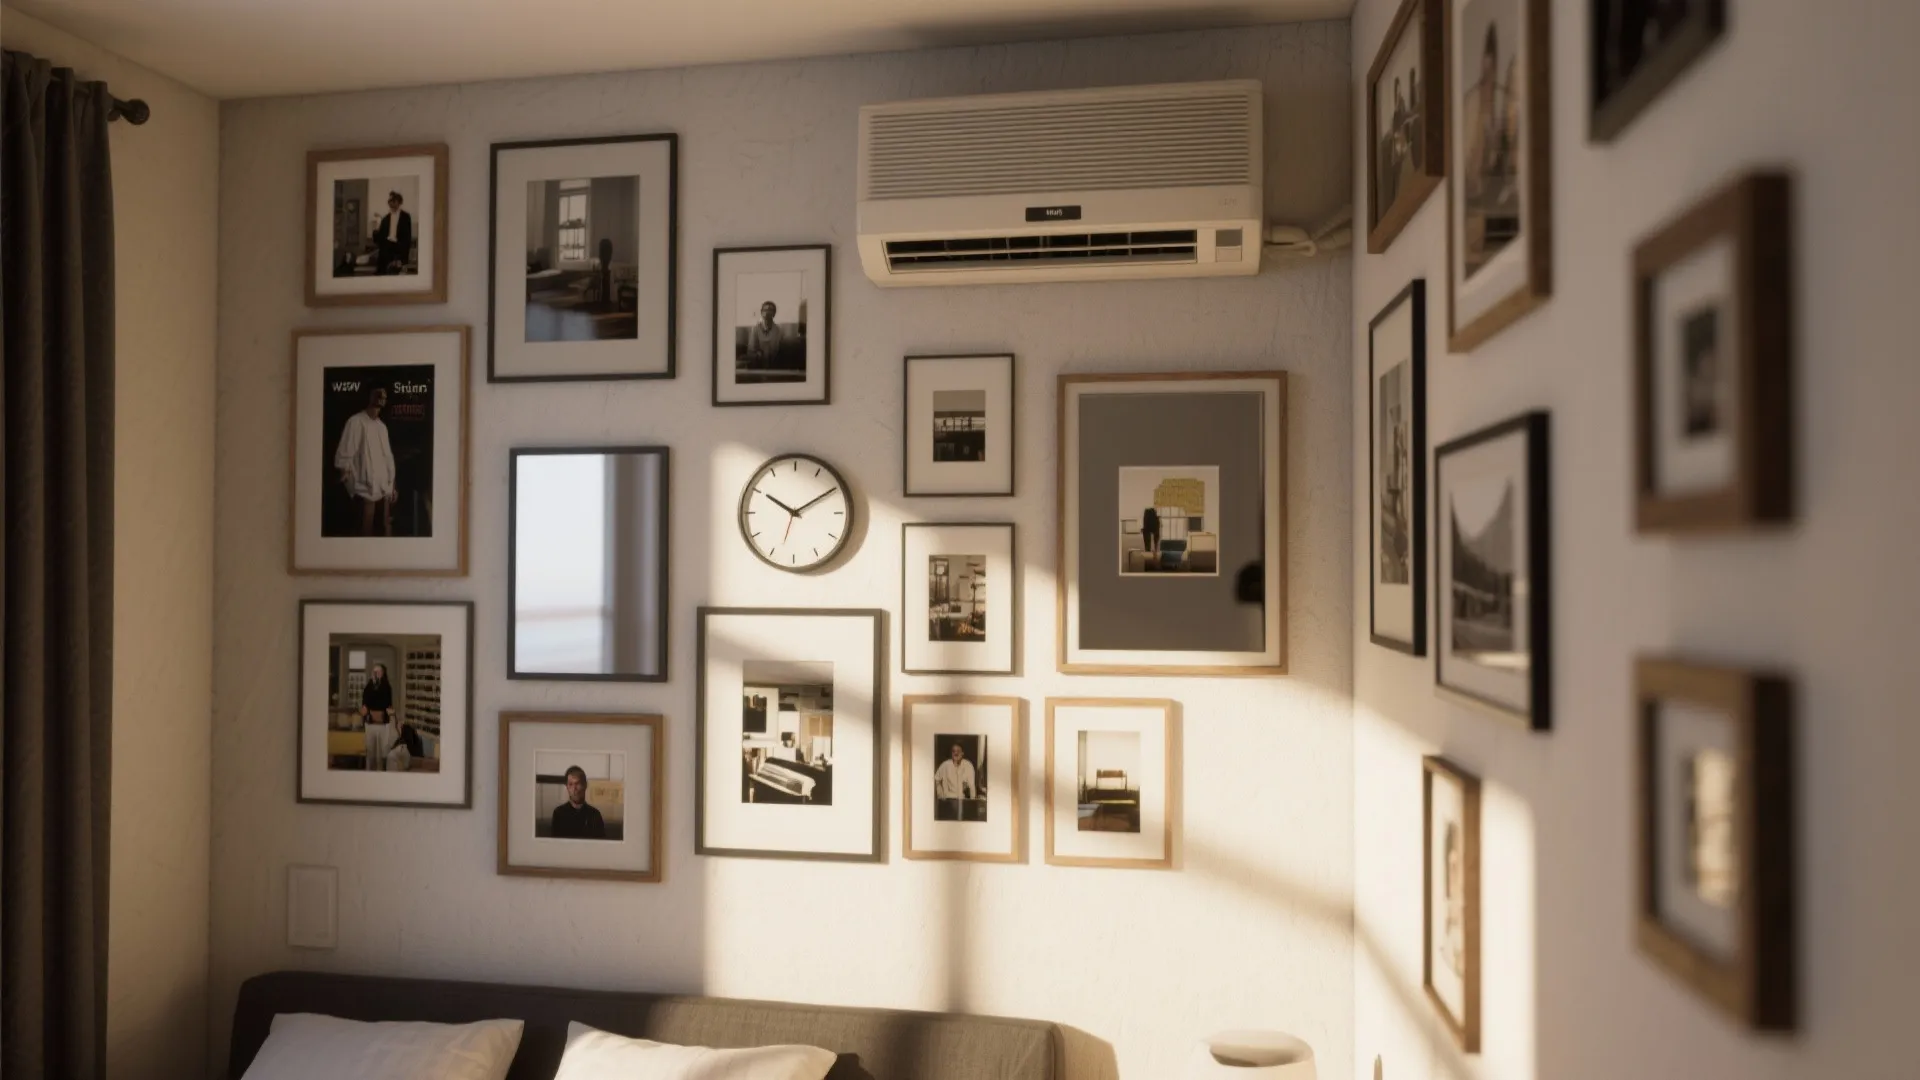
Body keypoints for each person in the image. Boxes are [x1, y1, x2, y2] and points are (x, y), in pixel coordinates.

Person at [334, 386, 397, 537]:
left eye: (384, 395)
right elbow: (344, 457)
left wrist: (392, 486)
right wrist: (352, 486)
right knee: (365, 533)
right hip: (364, 492)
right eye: (378, 394)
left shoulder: (382, 427)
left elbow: (388, 458)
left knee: (383, 532)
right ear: (370, 397)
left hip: (384, 491)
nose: (381, 396)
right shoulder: (355, 422)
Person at [551, 765, 607, 839]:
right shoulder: (558, 813)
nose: (574, 789)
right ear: (567, 787)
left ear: (585, 785)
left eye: (577, 784)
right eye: (570, 784)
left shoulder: (595, 815)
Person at [359, 664, 395, 772]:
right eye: (374, 672)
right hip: (370, 724)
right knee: (370, 752)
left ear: (383, 674)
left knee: (382, 753)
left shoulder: (386, 687)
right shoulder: (368, 687)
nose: (376, 674)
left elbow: (386, 703)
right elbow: (365, 704)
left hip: (382, 725)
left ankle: (380, 773)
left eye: (378, 672)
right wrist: (365, 712)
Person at [933, 741, 976, 821]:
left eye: (958, 751)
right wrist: (940, 795)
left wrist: (972, 802)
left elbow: (972, 786)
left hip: (962, 802)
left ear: (962, 753)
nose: (956, 753)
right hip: (947, 801)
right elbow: (937, 779)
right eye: (953, 751)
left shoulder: (968, 766)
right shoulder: (945, 765)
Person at [372, 190, 413, 274]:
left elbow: (407, 240)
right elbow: (377, 240)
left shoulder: (406, 217)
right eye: (390, 201)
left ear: (399, 202)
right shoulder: (385, 219)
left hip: (399, 251)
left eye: (394, 201)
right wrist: (377, 224)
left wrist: (402, 259)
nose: (391, 204)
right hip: (386, 251)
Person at [741, 301, 783, 371]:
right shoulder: (755, 329)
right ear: (761, 312)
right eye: (765, 310)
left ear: (774, 313)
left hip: (774, 364)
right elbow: (751, 350)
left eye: (770, 310)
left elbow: (780, 349)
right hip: (758, 364)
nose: (767, 313)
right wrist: (758, 354)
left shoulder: (778, 330)